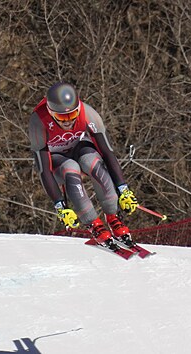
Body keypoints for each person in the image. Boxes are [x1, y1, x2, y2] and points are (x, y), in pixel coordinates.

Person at [28, 82, 139, 248]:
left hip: (79, 147)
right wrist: (60, 205)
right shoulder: (38, 121)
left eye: (72, 115)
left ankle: (113, 217)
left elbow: (107, 152)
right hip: (56, 158)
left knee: (93, 163)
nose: (68, 122)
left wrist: (123, 189)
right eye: (62, 118)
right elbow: (44, 169)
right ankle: (93, 223)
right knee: (71, 168)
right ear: (51, 113)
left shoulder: (88, 114)